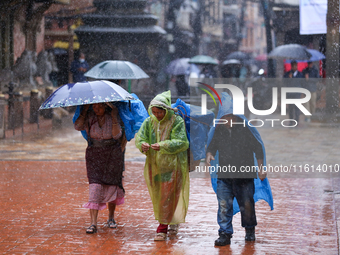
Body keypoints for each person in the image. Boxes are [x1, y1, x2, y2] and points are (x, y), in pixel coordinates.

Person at [205, 93, 267, 246]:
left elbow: (258, 148)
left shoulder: (245, 129)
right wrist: (209, 155)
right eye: (225, 117)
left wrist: (261, 169)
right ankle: (225, 233)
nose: (228, 121)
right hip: (224, 176)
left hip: (244, 176)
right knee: (224, 205)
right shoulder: (219, 130)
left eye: (231, 117)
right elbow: (212, 147)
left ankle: (250, 230)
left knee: (247, 203)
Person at [135, 90, 189, 241]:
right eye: (154, 112)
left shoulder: (176, 121)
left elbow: (183, 142)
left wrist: (163, 145)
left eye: (159, 112)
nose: (157, 115)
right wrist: (143, 145)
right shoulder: (149, 122)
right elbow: (140, 138)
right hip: (155, 166)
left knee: (167, 196)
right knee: (160, 196)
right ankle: (170, 220)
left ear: (166, 110)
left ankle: (162, 228)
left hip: (174, 166)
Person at [74, 103, 126, 234]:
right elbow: (78, 126)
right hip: (94, 155)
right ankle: (93, 223)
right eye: (94, 107)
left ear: (106, 106)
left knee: (112, 186)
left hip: (112, 155)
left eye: (99, 107)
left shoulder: (113, 116)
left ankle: (111, 218)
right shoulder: (90, 116)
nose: (96, 109)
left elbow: (116, 135)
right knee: (95, 187)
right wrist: (84, 110)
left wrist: (114, 115)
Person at [283, 60, 304, 125]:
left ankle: (297, 120)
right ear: (291, 66)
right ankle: (291, 120)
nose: (295, 67)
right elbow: (284, 82)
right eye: (293, 66)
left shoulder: (300, 74)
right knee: (291, 107)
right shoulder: (287, 74)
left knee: (297, 107)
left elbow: (303, 83)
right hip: (290, 93)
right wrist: (289, 78)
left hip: (297, 93)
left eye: (296, 65)